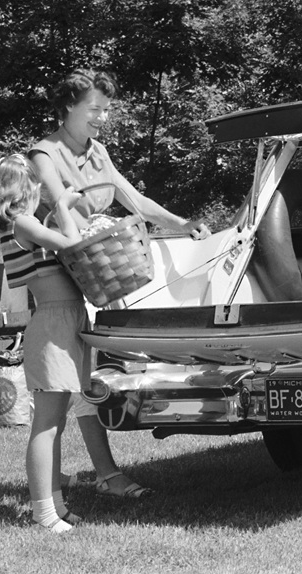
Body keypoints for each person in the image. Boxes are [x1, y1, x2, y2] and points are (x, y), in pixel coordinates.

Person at [28, 68, 209, 498]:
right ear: (69, 105)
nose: (102, 118)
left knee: (84, 379)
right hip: (65, 276)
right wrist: (83, 241)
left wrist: (181, 223)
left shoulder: (99, 153)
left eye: (106, 110)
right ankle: (89, 480)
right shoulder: (44, 154)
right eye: (95, 109)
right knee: (69, 383)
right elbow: (61, 209)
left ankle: (82, 477)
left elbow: (133, 199)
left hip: (103, 272)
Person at [0, 154, 85, 533]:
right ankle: (43, 511)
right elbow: (73, 247)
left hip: (60, 320)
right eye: (38, 188)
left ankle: (55, 505)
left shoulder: (22, 225)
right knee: (46, 423)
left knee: (56, 421)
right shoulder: (22, 222)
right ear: (25, 188)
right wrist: (61, 208)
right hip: (53, 323)